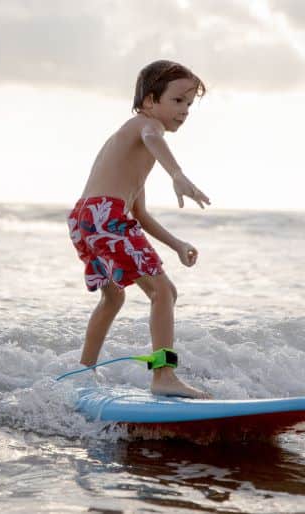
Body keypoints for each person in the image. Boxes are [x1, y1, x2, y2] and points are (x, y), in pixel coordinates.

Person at [66, 60, 212, 399]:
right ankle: (164, 375)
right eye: (177, 101)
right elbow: (152, 137)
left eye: (189, 104)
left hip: (86, 217)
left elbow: (139, 215)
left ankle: (83, 373)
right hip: (105, 214)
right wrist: (176, 173)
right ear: (149, 101)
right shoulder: (145, 127)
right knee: (164, 292)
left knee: (113, 297)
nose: (185, 110)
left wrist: (176, 244)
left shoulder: (132, 147)